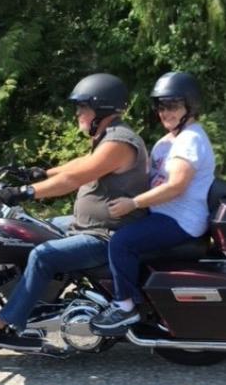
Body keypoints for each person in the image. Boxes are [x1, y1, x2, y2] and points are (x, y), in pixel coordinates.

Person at [0, 73, 149, 346]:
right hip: (88, 225)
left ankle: (3, 323)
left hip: (105, 235)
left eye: (83, 107)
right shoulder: (108, 137)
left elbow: (74, 179)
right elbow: (79, 164)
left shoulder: (120, 142)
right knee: (33, 228)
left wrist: (24, 192)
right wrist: (37, 173)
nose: (78, 113)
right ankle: (39, 303)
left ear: (102, 108)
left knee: (43, 255)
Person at [90, 71, 215, 333]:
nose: (165, 112)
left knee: (121, 243)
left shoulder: (190, 139)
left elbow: (176, 186)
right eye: (160, 106)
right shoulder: (167, 142)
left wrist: (133, 203)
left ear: (189, 105)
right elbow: (149, 178)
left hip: (180, 220)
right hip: (163, 215)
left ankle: (125, 308)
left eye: (172, 106)